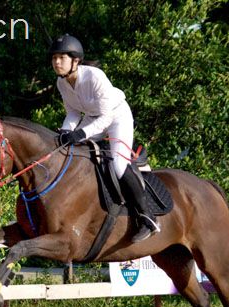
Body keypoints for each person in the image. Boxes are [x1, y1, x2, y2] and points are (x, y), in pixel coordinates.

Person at [49, 34, 160, 243]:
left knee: (118, 164)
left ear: (75, 60)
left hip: (117, 117)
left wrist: (81, 133)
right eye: (54, 58)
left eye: (61, 58)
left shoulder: (94, 77)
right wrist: (65, 132)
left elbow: (107, 117)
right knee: (71, 152)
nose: (56, 62)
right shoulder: (61, 83)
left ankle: (148, 217)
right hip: (93, 119)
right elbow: (73, 112)